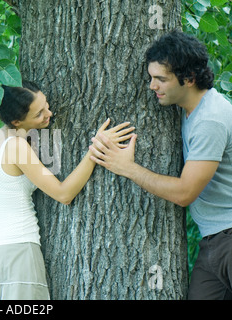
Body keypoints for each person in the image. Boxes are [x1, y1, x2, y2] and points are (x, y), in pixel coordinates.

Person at [89, 30, 232, 300]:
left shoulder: (210, 119)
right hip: (213, 241)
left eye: (161, 79)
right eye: (151, 77)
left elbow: (184, 193)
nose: (152, 86)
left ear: (189, 79)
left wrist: (127, 167)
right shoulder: (190, 111)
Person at [0, 80, 134, 300]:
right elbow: (63, 194)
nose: (49, 113)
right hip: (16, 252)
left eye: (45, 105)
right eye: (38, 114)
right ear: (17, 121)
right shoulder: (16, 146)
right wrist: (97, 148)